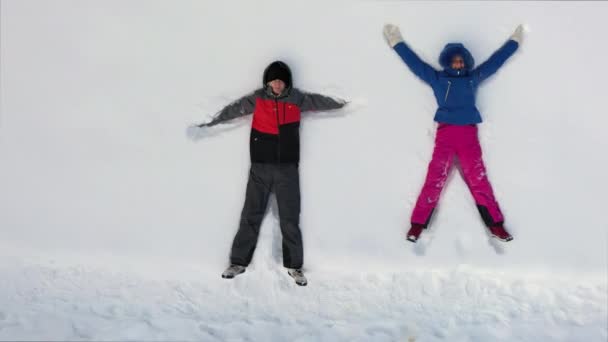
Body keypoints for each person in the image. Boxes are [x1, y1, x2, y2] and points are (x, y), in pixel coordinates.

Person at [190, 61, 346, 285]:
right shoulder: (257, 99)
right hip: (260, 167)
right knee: (250, 216)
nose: (277, 84)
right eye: (274, 80)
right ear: (267, 81)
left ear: (287, 82)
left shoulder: (297, 99)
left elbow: (320, 102)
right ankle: (238, 263)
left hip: (287, 170)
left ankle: (294, 267)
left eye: (281, 81)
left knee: (290, 219)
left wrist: (345, 105)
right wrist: (211, 121)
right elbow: (235, 109)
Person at [383, 24, 523, 243]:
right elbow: (415, 64)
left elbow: (495, 63)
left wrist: (514, 42)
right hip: (446, 135)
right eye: (454, 60)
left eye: (460, 60)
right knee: (435, 178)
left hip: (468, 135)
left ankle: (496, 225)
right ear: (447, 62)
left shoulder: (472, 78)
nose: (458, 63)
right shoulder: (438, 79)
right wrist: (396, 42)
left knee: (479, 180)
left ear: (465, 62)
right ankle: (417, 225)